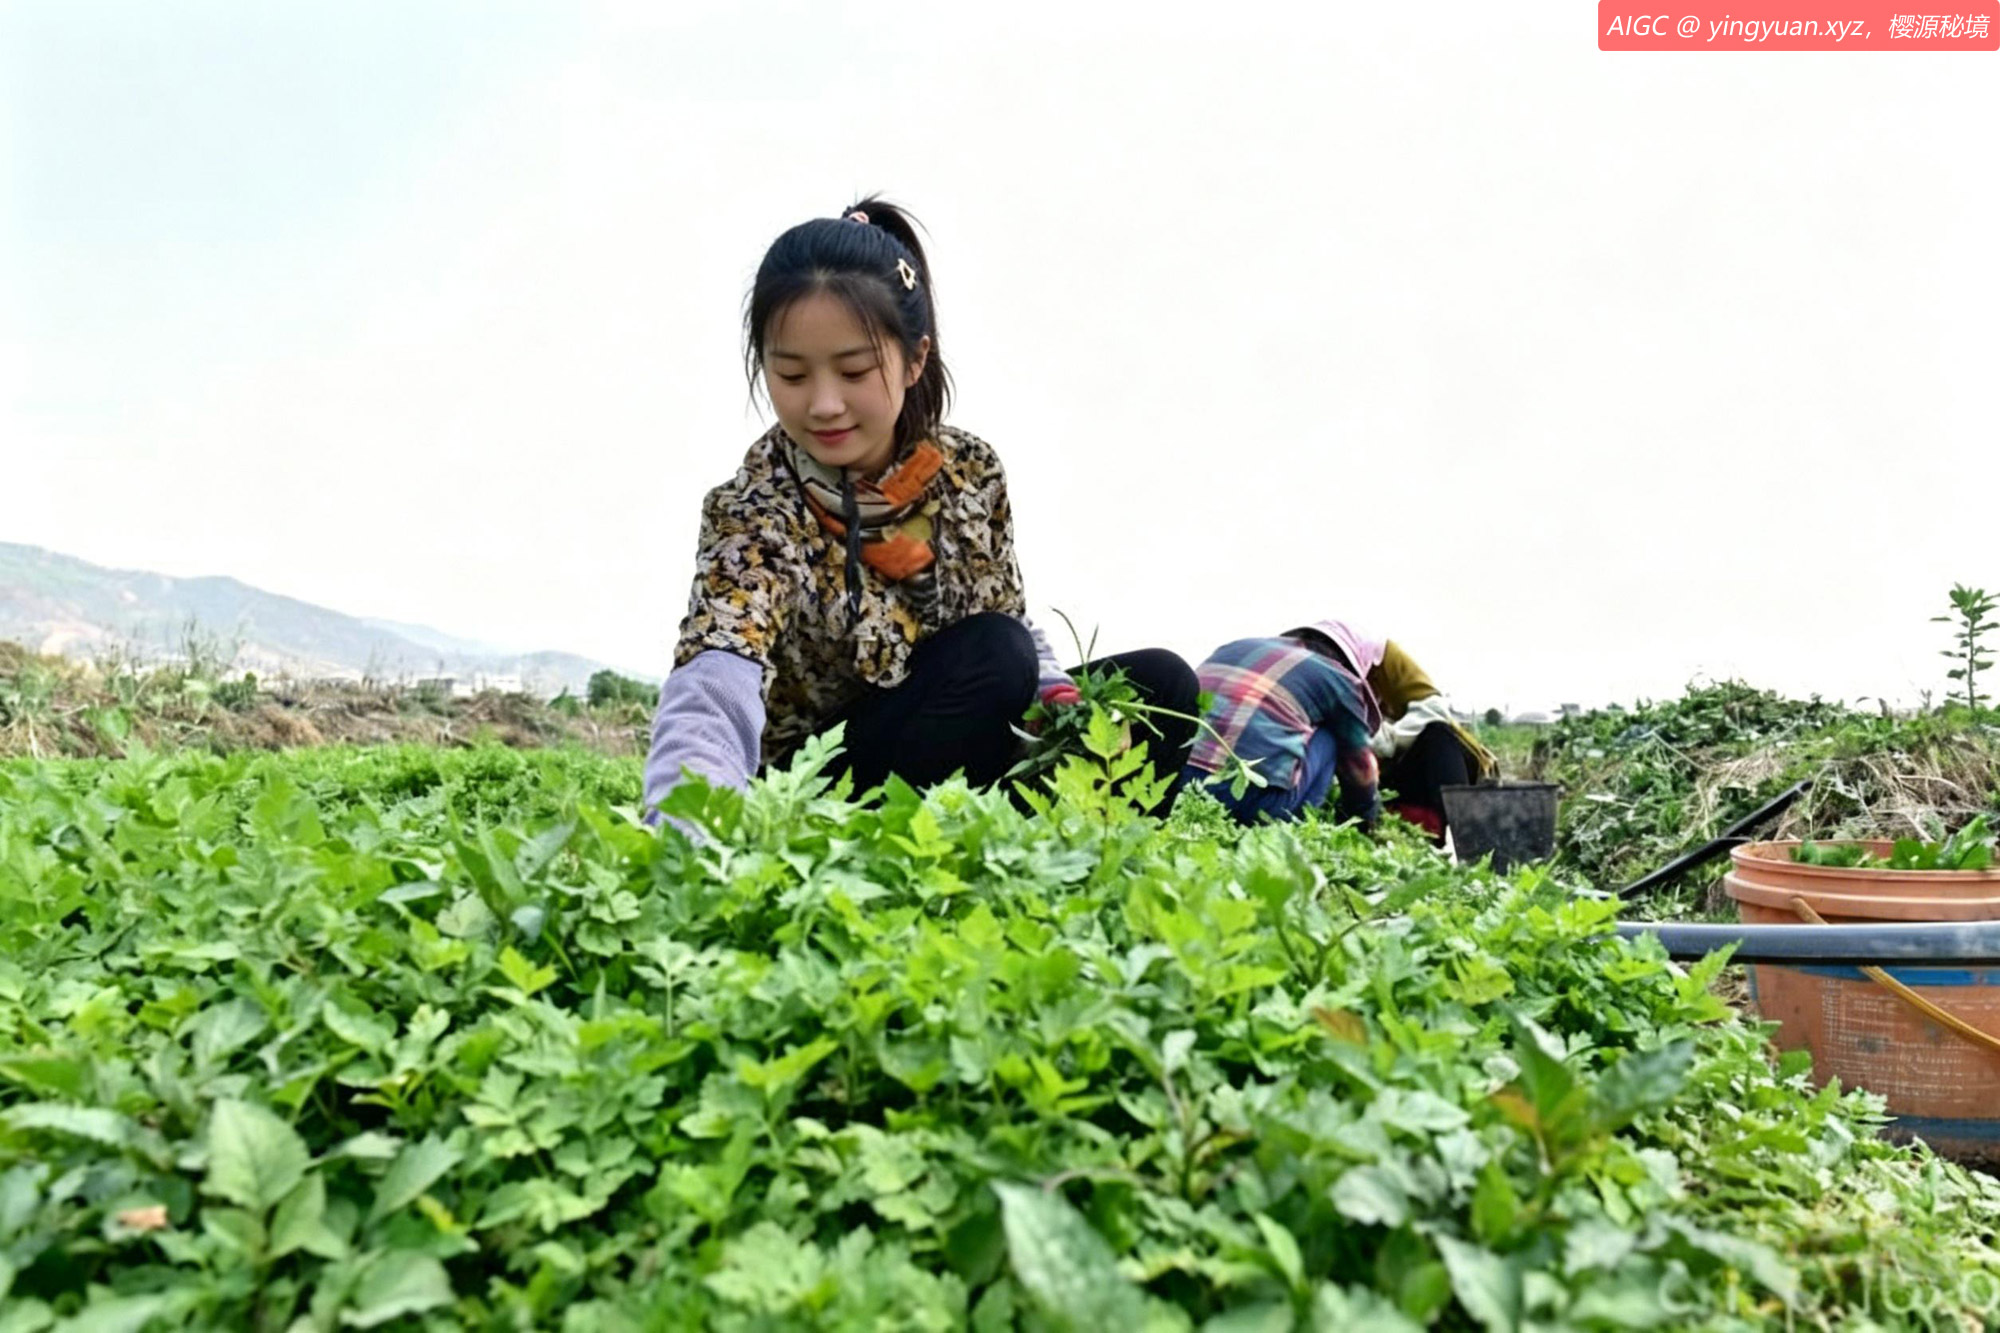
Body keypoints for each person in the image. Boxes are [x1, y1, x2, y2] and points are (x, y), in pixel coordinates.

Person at [643, 199, 1198, 819]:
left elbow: (1005, 617)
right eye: (792, 376)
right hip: (828, 785)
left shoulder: (969, 473)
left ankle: (1055, 850)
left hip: (962, 738)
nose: (824, 404)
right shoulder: (757, 507)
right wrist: (685, 826)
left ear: (915, 359)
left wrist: (1058, 696)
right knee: (994, 655)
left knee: (1163, 687)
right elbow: (718, 674)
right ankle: (910, 846)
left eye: (853, 370)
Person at [1285, 619, 1497, 842]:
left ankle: (1455, 836)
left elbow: (1434, 709)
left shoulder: (1384, 658)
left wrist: (1380, 739)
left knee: (1437, 734)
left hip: (1422, 764)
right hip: (1367, 778)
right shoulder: (1307, 676)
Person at [1180, 630, 1384, 828]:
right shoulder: (1340, 678)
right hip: (1247, 802)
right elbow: (1360, 766)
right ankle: (1298, 822)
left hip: (1175, 781)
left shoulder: (1234, 646)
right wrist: (1365, 816)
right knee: (1335, 737)